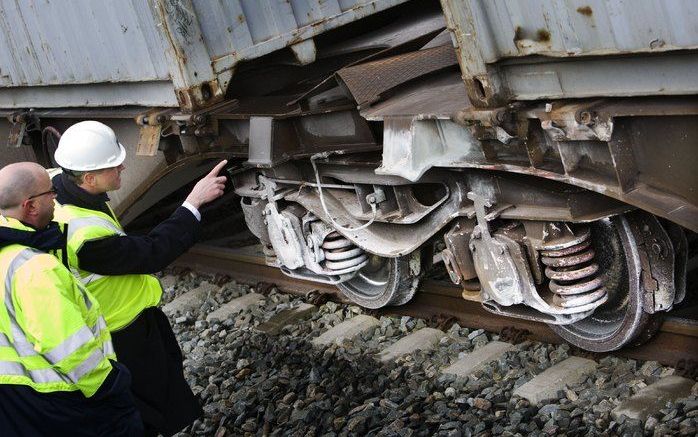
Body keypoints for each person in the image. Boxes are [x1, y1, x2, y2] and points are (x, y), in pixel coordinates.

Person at [52, 120, 228, 436]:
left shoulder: (56, 185)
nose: (122, 167)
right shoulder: (86, 238)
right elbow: (151, 252)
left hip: (125, 321)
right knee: (148, 405)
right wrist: (193, 203)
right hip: (120, 331)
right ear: (88, 178)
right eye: (112, 166)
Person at [0, 162, 142, 436]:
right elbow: (68, 346)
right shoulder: (34, 268)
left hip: (13, 397)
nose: (56, 198)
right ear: (30, 207)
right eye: (50, 192)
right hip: (56, 398)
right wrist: (110, 385)